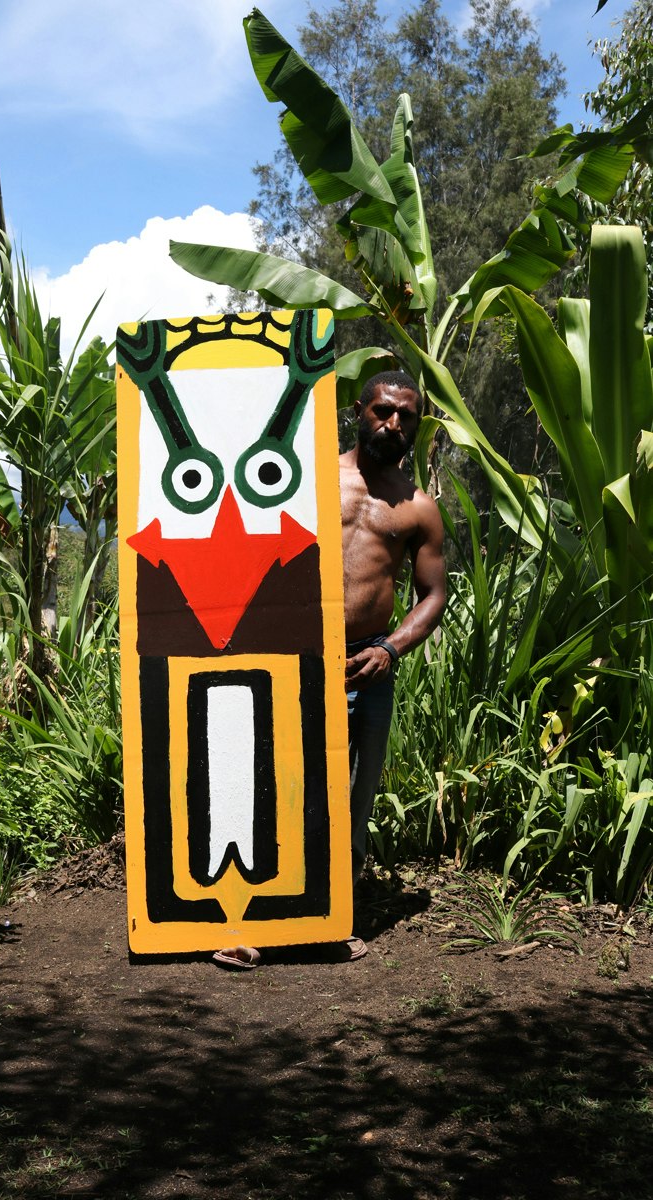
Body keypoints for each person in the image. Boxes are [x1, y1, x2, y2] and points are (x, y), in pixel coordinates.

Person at [215, 370, 447, 969]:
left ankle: (330, 918)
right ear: (358, 411)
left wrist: (390, 649)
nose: (393, 424)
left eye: (406, 417)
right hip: (296, 657)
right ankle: (254, 923)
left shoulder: (419, 509)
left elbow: (433, 595)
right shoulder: (308, 478)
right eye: (382, 411)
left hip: (370, 662)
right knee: (279, 789)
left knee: (352, 799)